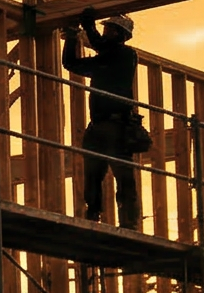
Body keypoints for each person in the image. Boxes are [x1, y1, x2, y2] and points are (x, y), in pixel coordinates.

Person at [62, 13, 147, 228]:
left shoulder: (126, 55)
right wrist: (71, 37)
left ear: (120, 34)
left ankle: (129, 222)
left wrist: (88, 27)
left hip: (117, 126)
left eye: (109, 29)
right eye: (105, 28)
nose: (105, 32)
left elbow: (102, 46)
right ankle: (93, 214)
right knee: (92, 173)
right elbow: (71, 64)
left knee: (124, 176)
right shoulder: (103, 60)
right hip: (98, 126)